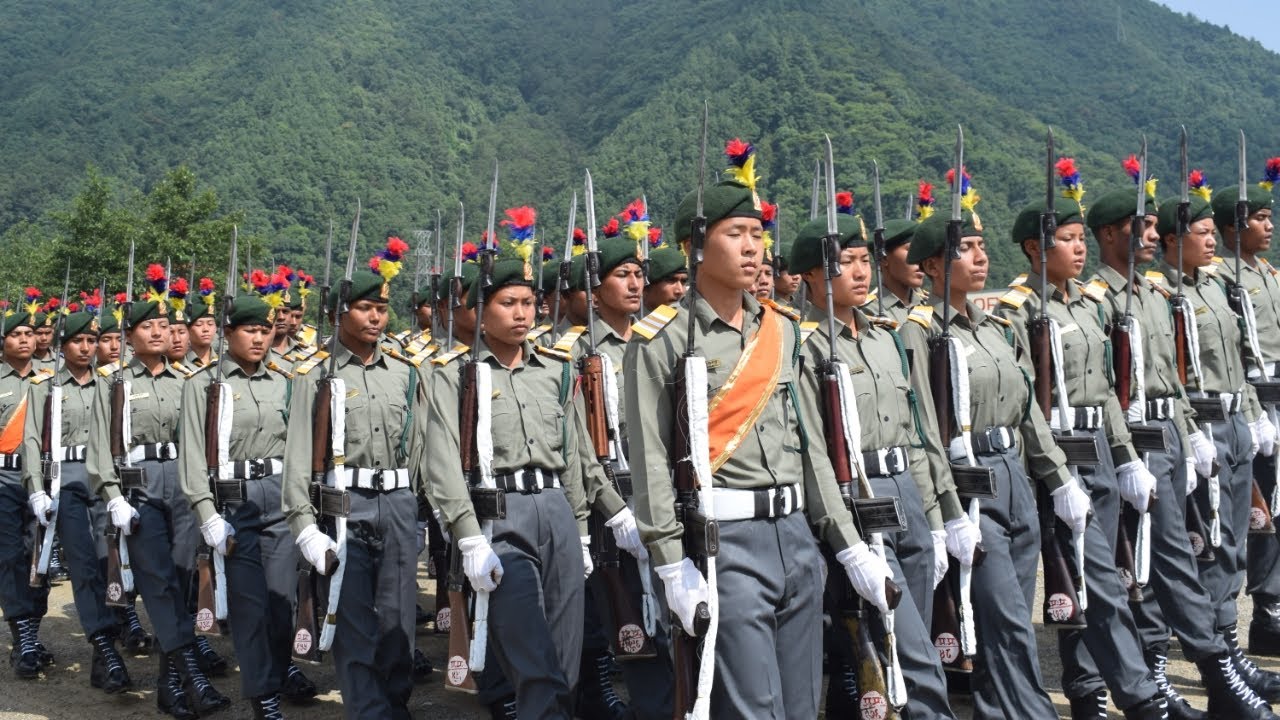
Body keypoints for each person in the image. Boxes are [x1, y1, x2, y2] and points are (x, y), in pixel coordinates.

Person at [626, 140, 872, 717]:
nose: (752, 247)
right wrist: (668, 561)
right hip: (724, 543)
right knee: (753, 705)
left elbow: (810, 443)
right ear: (693, 247)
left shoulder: (783, 331)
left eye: (758, 235)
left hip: (795, 535)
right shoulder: (661, 340)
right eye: (735, 233)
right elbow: (652, 458)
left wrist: (845, 540)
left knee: (805, 702)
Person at [1087, 182, 1279, 718]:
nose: (1150, 235)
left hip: (1175, 431)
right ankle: (1183, 675)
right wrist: (1125, 454)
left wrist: (1194, 430)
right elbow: (1105, 387)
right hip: (1133, 443)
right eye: (1141, 227)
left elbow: (1175, 374)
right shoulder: (1100, 301)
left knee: (1201, 547)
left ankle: (1217, 666)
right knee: (1147, 564)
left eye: (1153, 226)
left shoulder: (1153, 295)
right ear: (1110, 234)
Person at [1000, 166, 1168, 718]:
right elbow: (1027, 402)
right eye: (1065, 240)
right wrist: (1057, 475)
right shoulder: (1019, 311)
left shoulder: (1088, 307)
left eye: (1078, 240)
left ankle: (1085, 689)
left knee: (1083, 581)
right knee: (1093, 577)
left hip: (1096, 449)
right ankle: (1140, 698)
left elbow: (1109, 391)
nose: (1076, 250)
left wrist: (1125, 457)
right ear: (1033, 248)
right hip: (1057, 461)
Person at [899, 207, 1078, 719]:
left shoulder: (993, 325)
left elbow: (1028, 412)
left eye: (981, 246)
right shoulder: (919, 333)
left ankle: (999, 711)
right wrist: (945, 512)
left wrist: (1058, 476)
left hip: (1013, 476)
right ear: (933, 266)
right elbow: (926, 433)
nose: (981, 257)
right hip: (969, 484)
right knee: (1006, 620)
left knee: (1013, 611)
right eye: (965, 249)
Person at [789, 206, 965, 719]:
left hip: (905, 491)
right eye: (848, 261)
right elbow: (815, 453)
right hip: (860, 499)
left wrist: (936, 519)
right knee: (909, 650)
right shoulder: (803, 349)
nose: (863, 272)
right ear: (815, 275)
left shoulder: (887, 336)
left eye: (866, 260)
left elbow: (918, 433)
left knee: (913, 641)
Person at [427, 244, 596, 719]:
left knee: (566, 658)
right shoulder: (453, 376)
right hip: (498, 519)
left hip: (556, 509)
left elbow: (575, 455)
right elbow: (441, 463)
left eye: (527, 303)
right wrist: (467, 538)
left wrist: (581, 529)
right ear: (480, 312)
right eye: (508, 303)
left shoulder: (556, 370)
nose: (522, 314)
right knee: (532, 658)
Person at [283, 259, 425, 719]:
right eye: (365, 308)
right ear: (339, 313)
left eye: (381, 309)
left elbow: (420, 447)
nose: (376, 318)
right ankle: (370, 710)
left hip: (399, 505)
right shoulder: (315, 374)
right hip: (345, 505)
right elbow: (299, 458)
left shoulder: (404, 372)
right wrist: (304, 525)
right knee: (353, 618)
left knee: (399, 620)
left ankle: (394, 700)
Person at [87, 267, 231, 718]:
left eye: (164, 326)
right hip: (140, 489)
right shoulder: (114, 384)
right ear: (129, 336)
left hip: (185, 487)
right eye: (146, 326)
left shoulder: (190, 379)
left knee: (186, 579)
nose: (158, 332)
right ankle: (191, 674)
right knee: (159, 583)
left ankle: (171, 687)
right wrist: (113, 497)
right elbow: (99, 448)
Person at [180, 294, 313, 719]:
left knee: (282, 603)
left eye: (265, 330)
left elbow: (299, 450)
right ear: (228, 332)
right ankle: (264, 695)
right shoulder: (204, 384)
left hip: (281, 500)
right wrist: (207, 514)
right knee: (250, 606)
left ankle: (277, 670)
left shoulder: (286, 380)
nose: (258, 338)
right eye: (249, 330)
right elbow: (192, 458)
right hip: (233, 501)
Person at [562, 226, 674, 720]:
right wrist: (612, 508)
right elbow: (579, 448)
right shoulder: (574, 352)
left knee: (669, 608)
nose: (633, 284)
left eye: (637, 275)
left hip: (661, 490)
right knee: (622, 612)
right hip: (609, 497)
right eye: (621, 275)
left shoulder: (656, 342)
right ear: (595, 288)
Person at [22, 296, 135, 693]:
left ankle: (105, 651)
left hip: (104, 481)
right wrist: (35, 489)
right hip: (64, 481)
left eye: (92, 340)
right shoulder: (44, 386)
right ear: (61, 345)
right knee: (84, 568)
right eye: (77, 341)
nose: (86, 348)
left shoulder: (111, 384)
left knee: (111, 565)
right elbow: (32, 441)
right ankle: (105, 647)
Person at [1211, 177, 1280, 658]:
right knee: (1253, 513)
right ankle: (1243, 616)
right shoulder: (1223, 277)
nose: (1269, 225)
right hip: (1252, 399)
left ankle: (1272, 608)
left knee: (1277, 505)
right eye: (1259, 218)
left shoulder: (1268, 273)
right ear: (1234, 226)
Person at [1, 294, 53, 679]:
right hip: (3, 479)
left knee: (40, 556)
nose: (23, 340)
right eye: (15, 334)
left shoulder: (50, 380)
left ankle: (31, 634)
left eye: (29, 334)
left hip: (45, 479)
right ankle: (22, 636)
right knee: (8, 558)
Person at [868, 216, 926, 324]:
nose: (920, 258)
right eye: (911, 250)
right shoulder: (869, 313)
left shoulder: (928, 306)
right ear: (884, 259)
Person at [639, 233, 687, 312]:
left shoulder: (688, 321)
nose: (680, 291)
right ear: (646, 287)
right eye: (671, 280)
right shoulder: (629, 322)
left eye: (683, 281)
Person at [186, 278, 218, 367]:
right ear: (187, 329)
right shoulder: (180, 363)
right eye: (199, 324)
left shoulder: (223, 363)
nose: (206, 329)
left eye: (210, 324)